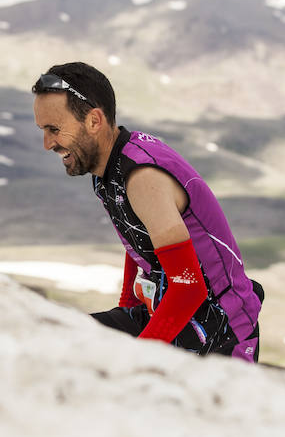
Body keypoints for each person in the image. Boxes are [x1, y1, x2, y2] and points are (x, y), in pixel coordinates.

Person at [31, 62, 263, 362]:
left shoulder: (142, 178)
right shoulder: (108, 167)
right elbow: (138, 240)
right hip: (174, 315)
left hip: (219, 338)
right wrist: (126, 310)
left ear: (94, 121)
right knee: (54, 341)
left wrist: (136, 357)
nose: (47, 143)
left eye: (54, 129)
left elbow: (189, 287)